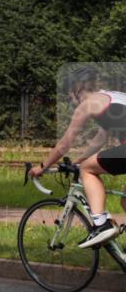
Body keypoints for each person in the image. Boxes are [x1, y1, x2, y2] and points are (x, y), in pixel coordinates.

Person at [29, 65, 126, 248]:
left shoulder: (86, 105)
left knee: (87, 170)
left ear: (78, 88)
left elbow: (65, 144)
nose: (69, 98)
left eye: (69, 93)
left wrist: (42, 167)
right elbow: (100, 139)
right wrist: (80, 159)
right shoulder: (109, 96)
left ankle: (101, 223)